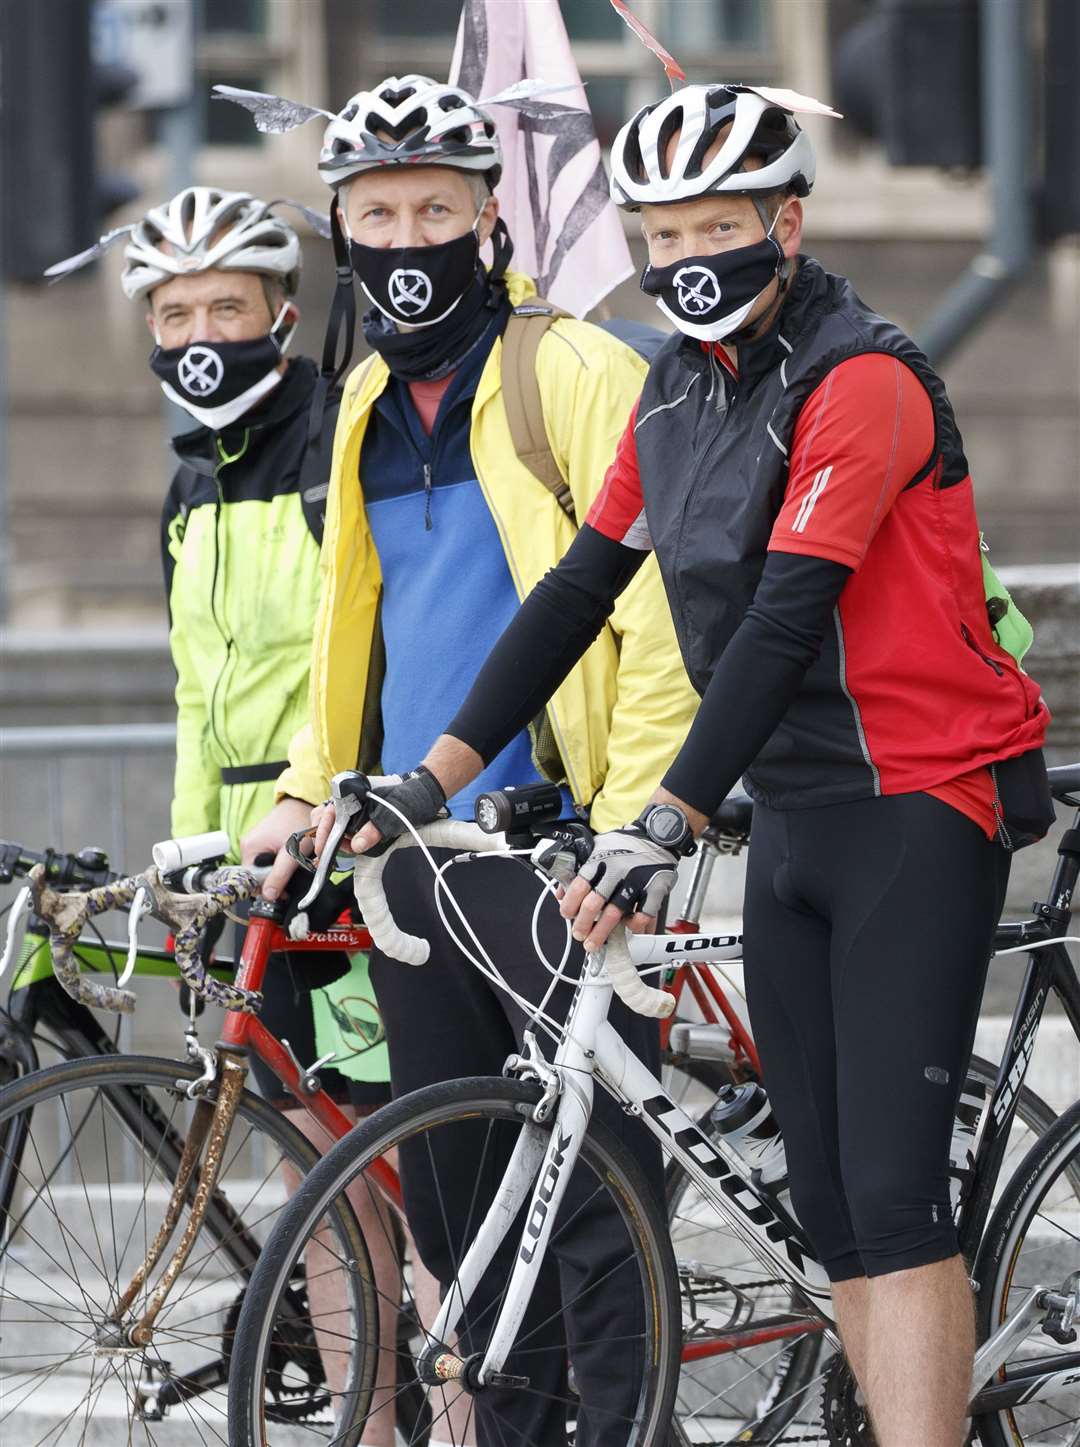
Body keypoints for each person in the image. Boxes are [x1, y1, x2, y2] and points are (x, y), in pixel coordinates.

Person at [328, 85, 1052, 1447]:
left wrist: (661, 813)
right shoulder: (671, 390)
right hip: (789, 812)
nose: (690, 256)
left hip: (915, 803)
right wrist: (429, 779)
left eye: (721, 225)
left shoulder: (869, 381)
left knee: (893, 1198)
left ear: (788, 221)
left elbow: (788, 614)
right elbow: (574, 591)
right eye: (665, 233)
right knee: (828, 1200)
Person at [247, 73, 698, 1447]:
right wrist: (314, 791)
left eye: (433, 207)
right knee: (460, 1206)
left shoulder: (575, 369)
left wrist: (631, 825)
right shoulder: (365, 395)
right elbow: (351, 631)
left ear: (489, 215)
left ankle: (636, 1428)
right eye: (375, 214)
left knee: (595, 1205)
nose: (404, 238)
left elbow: (662, 617)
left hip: (562, 846)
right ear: (341, 231)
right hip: (412, 855)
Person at [115, 186, 398, 1441]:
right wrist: (186, 881)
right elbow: (195, 699)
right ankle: (364, 1418)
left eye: (226, 305)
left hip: (338, 845)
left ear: (283, 311)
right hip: (243, 880)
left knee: (387, 1157)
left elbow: (367, 650)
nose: (200, 331)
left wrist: (325, 805)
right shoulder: (188, 486)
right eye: (176, 311)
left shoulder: (330, 446)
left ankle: (438, 1413)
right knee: (309, 1172)